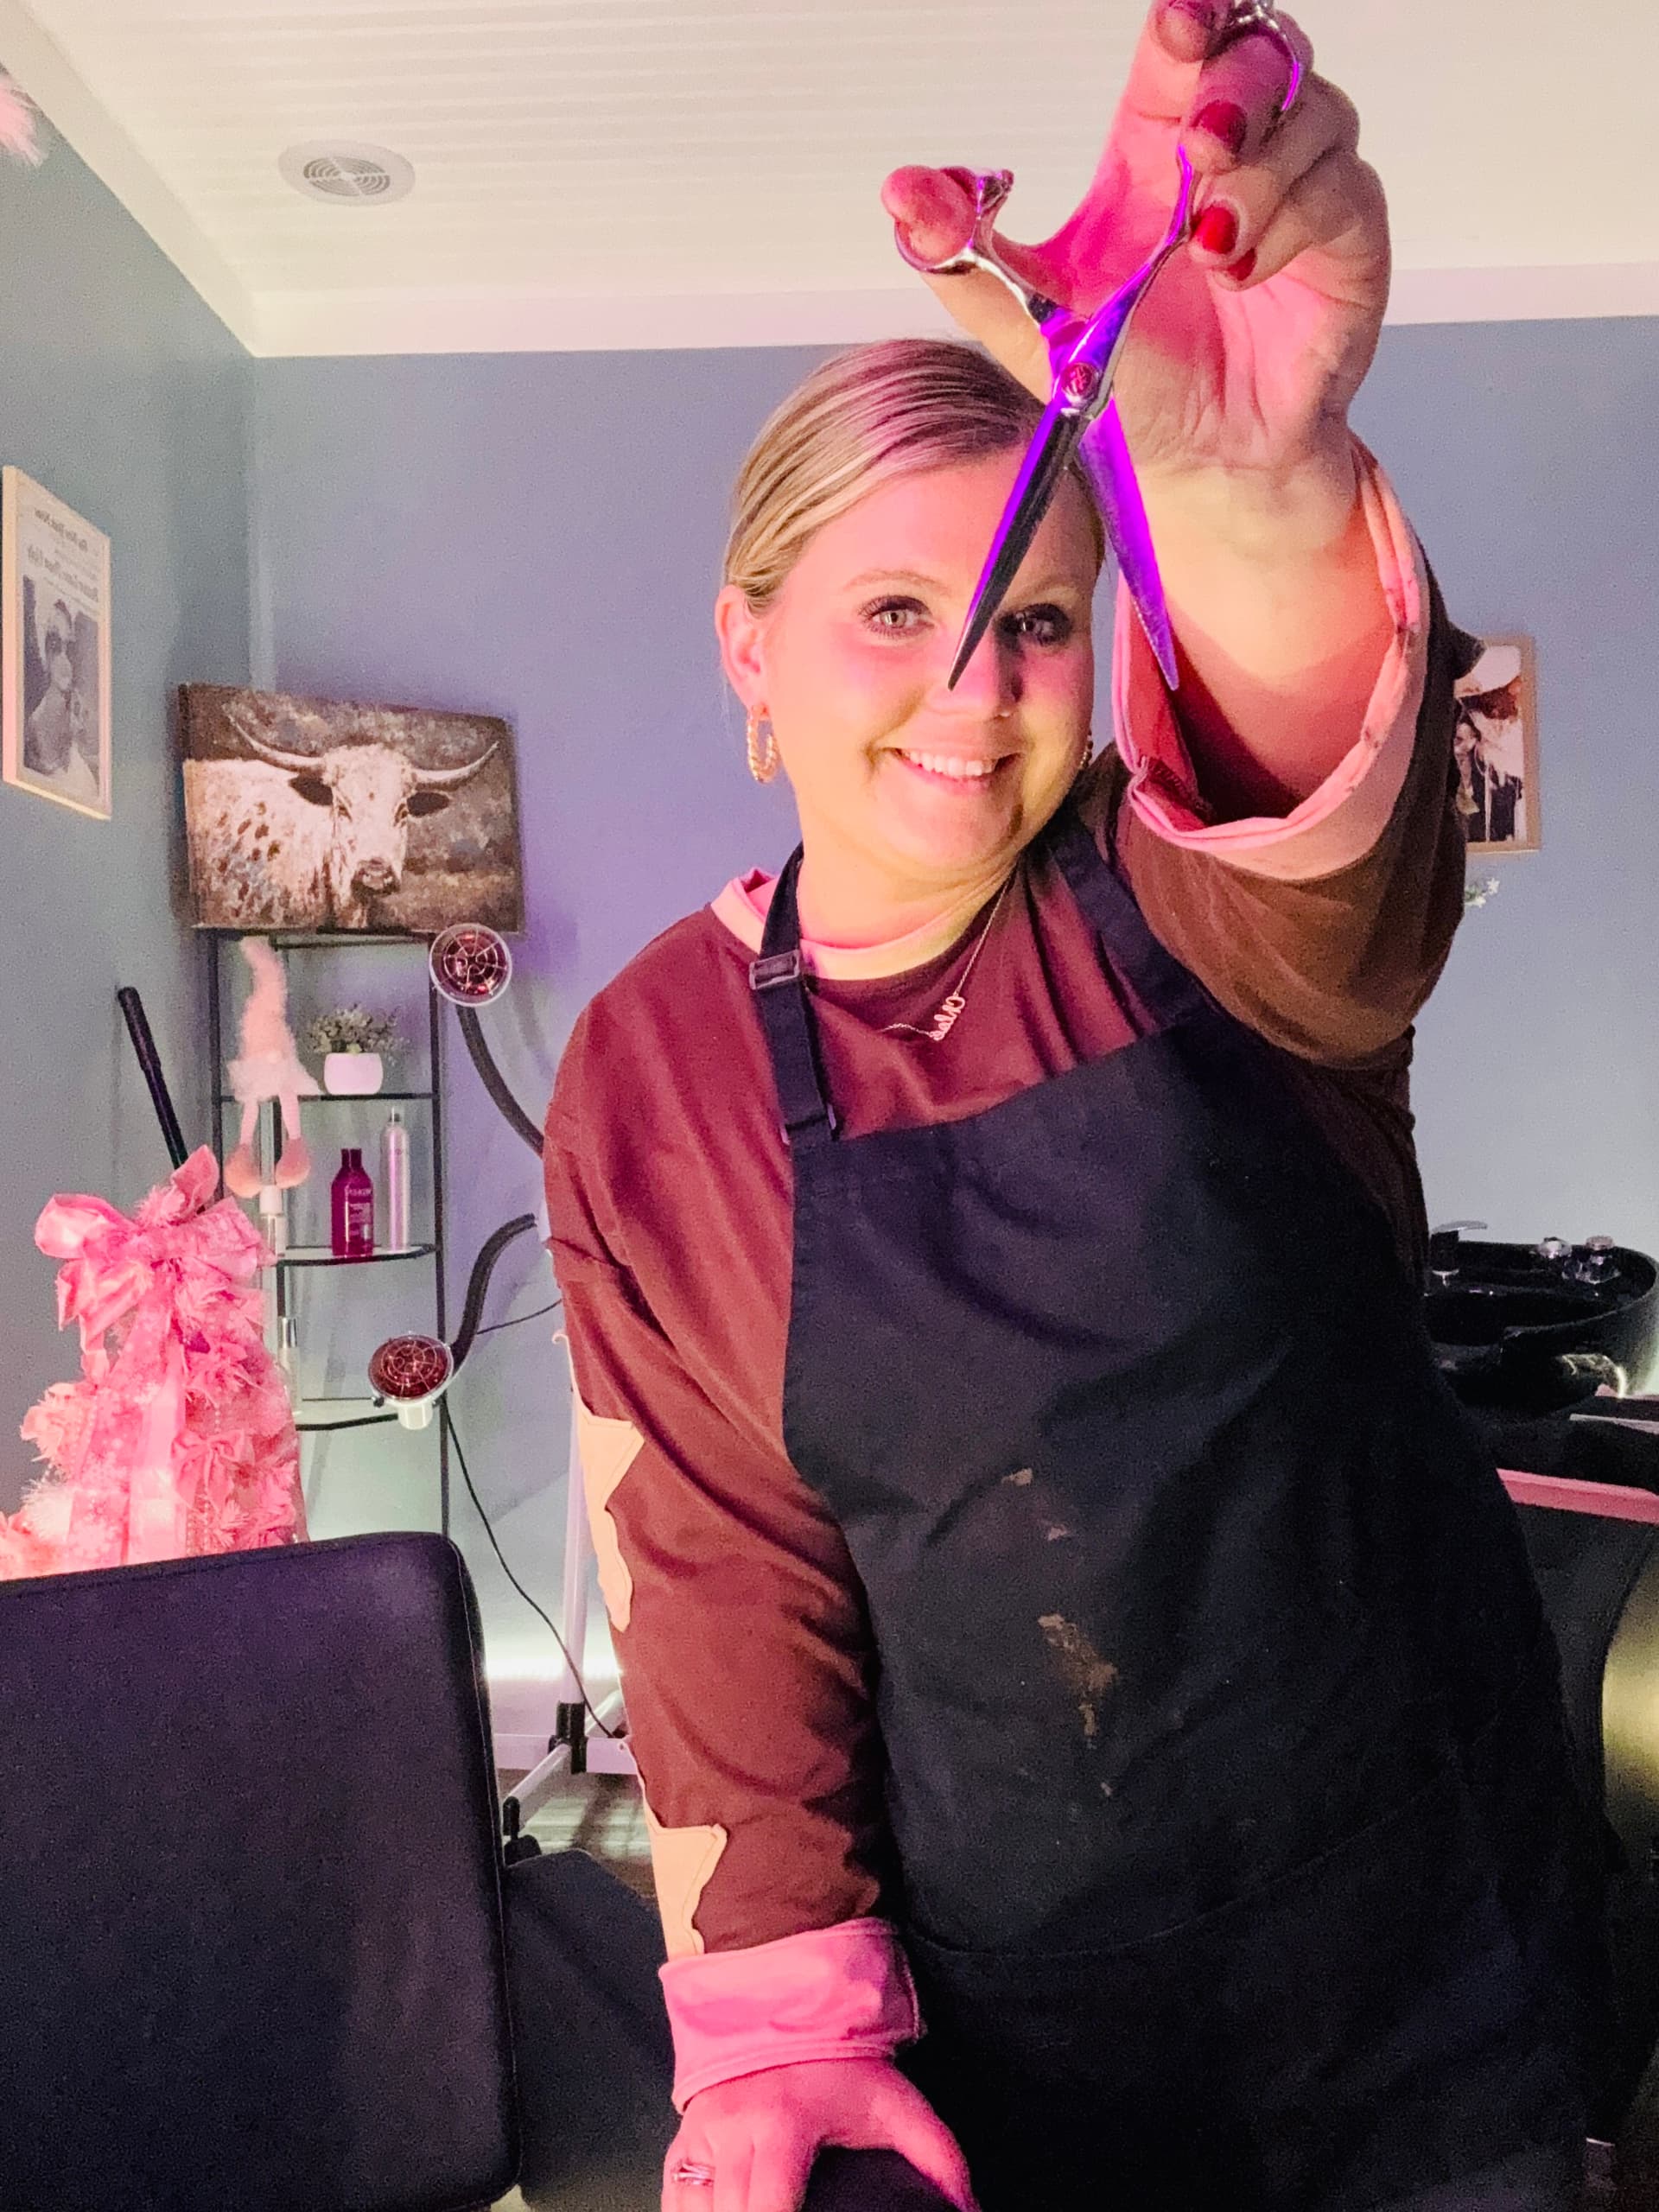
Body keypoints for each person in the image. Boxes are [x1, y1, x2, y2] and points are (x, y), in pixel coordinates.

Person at [543, 4, 1606, 2207]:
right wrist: (782, 2035)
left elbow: (1332, 863)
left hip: (1426, 1961)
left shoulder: (1171, 893)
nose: (973, 688)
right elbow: (724, 1576)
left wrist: (1247, 490)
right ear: (748, 648)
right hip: (1031, 2033)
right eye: (895, 610)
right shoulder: (655, 1068)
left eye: (1037, 617)